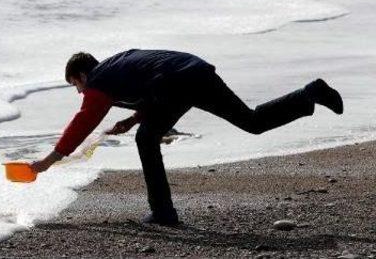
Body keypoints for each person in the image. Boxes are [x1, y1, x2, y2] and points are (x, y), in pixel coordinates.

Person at [30, 49, 343, 226]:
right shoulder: (114, 69)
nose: (79, 91)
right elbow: (152, 90)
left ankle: (163, 212)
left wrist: (49, 161)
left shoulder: (97, 82)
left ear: (83, 75)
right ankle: (308, 95)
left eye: (75, 85)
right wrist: (132, 118)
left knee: (146, 139)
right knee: (252, 121)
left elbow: (83, 121)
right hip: (194, 71)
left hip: (178, 81)